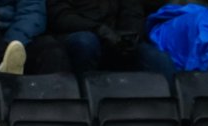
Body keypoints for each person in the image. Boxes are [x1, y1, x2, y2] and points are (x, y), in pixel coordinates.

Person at [46, 0, 178, 81]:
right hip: (79, 34)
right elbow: (60, 17)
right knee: (85, 42)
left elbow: (132, 12)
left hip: (115, 38)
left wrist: (130, 35)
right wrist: (99, 29)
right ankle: (84, 106)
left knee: (158, 59)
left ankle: (179, 118)